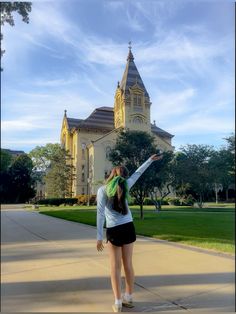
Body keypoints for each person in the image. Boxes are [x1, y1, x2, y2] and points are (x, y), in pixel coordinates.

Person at [96, 154, 162, 312]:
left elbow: (99, 213)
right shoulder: (126, 185)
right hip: (128, 227)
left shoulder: (103, 190)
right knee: (128, 264)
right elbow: (138, 173)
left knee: (114, 267)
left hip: (113, 230)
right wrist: (149, 160)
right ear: (124, 177)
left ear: (111, 175)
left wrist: (99, 237)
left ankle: (118, 302)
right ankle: (129, 297)